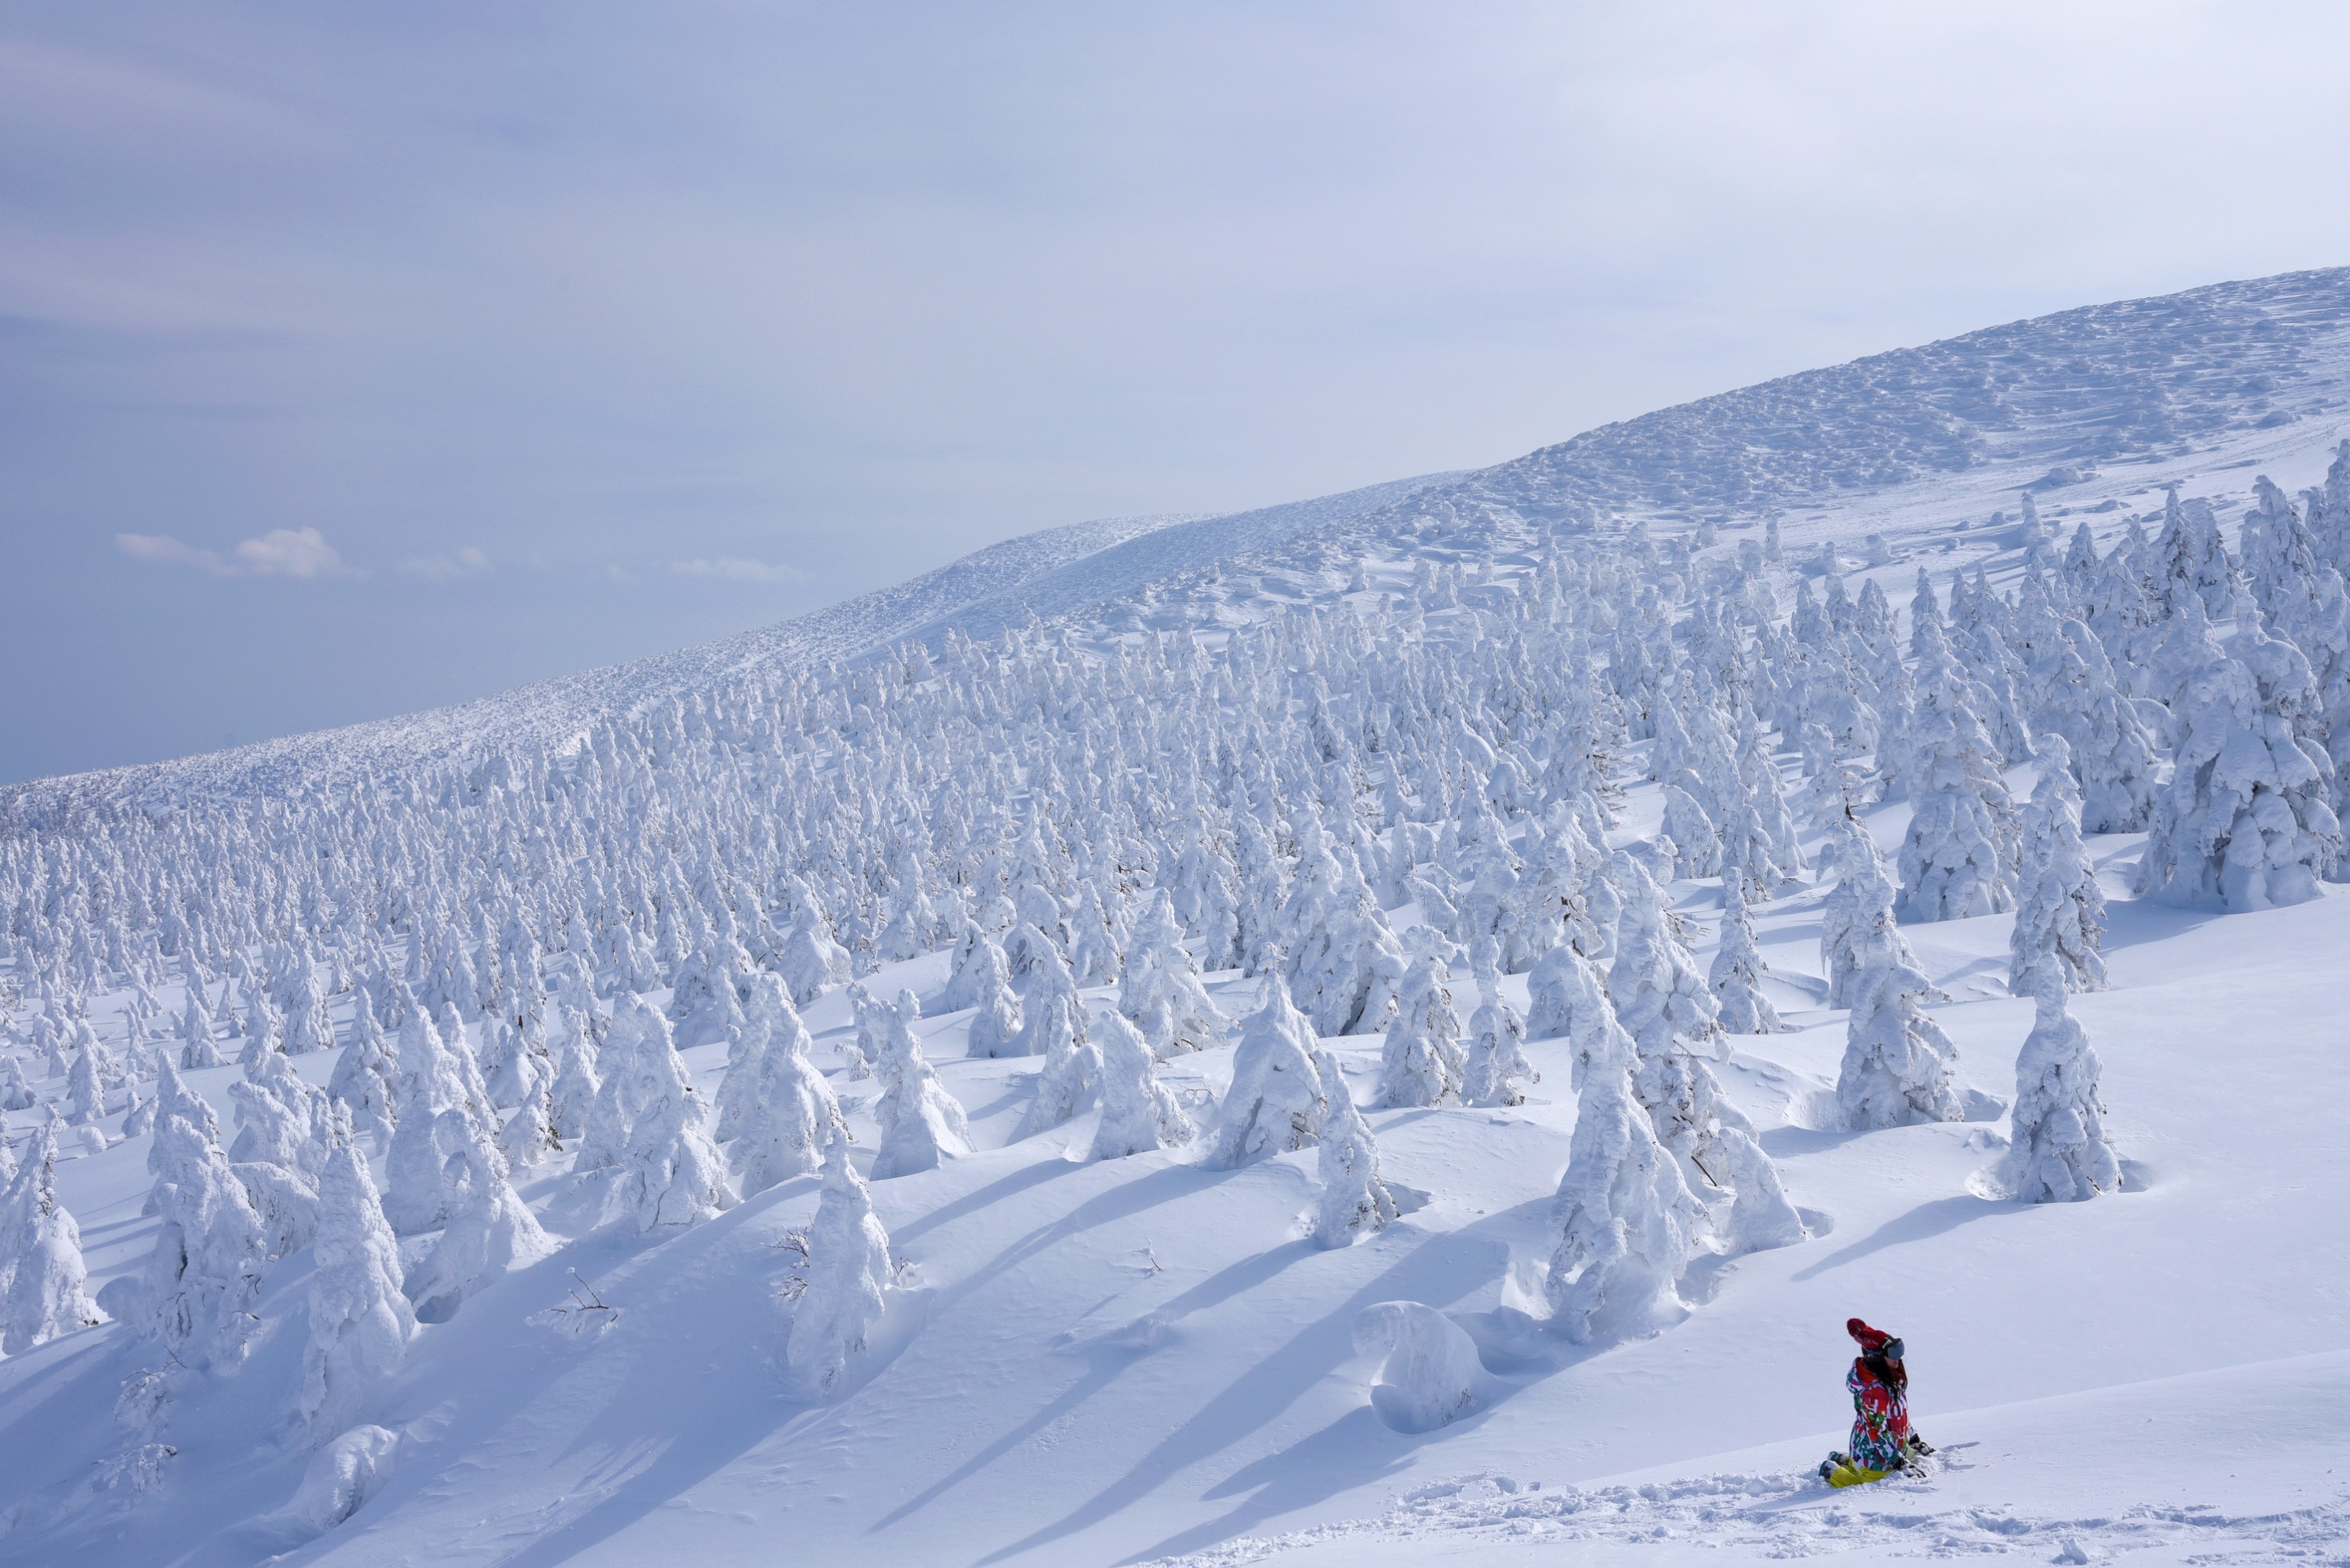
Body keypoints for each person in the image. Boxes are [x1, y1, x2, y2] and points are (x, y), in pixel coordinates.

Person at [1818, 1317, 1933, 1487]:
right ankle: (1831, 1470)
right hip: (1874, 1454)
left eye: (1899, 1351)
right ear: (1877, 1358)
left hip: (1891, 1445)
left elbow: (1899, 1413)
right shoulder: (1875, 1392)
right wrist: (1896, 1461)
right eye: (1893, 1354)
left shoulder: (1893, 1379)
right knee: (1868, 1483)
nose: (1898, 1359)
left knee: (1913, 1456)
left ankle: (1846, 1460)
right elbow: (1876, 1431)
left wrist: (1913, 1437)